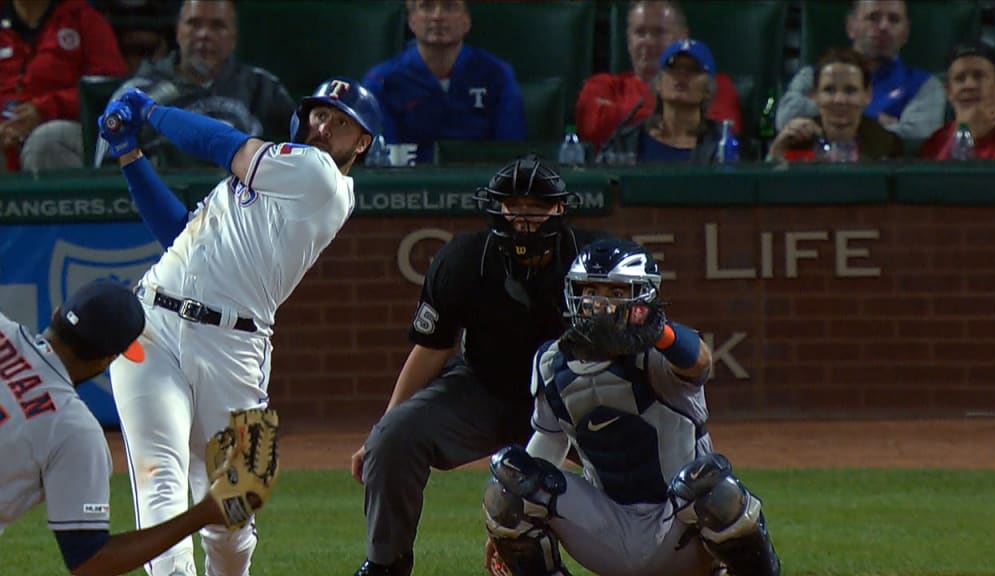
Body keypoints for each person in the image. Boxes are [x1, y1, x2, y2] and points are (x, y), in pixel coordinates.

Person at [98, 75, 381, 576]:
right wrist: (129, 156)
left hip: (236, 349)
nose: (323, 127)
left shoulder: (320, 179)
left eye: (341, 123)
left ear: (362, 143)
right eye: (319, 114)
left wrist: (151, 113)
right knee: (158, 479)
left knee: (234, 512)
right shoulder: (272, 175)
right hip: (151, 327)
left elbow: (219, 142)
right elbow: (179, 234)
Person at [350, 154, 609, 576]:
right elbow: (432, 348)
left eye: (537, 207)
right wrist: (384, 424)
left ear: (560, 209)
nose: (524, 219)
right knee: (393, 438)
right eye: (514, 206)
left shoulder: (591, 263)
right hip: (482, 387)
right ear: (497, 207)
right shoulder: (465, 258)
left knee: (633, 456)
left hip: (572, 396)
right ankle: (386, 563)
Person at [482, 239, 782, 576]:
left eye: (615, 293)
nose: (599, 304)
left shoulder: (658, 357)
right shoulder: (552, 361)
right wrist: (504, 529)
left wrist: (659, 333)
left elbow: (699, 362)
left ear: (642, 298)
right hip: (607, 528)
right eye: (590, 290)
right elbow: (548, 443)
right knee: (510, 479)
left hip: (679, 531)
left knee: (711, 486)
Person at [0, 280, 272, 576]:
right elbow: (91, 560)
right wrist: (205, 513)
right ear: (109, 359)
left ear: (56, 314)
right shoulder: (73, 432)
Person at [95, 0, 295, 169]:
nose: (204, 35)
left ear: (233, 38)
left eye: (217, 26)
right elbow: (107, 172)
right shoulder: (136, 93)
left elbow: (300, 156)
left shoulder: (261, 87)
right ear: (178, 31)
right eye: (194, 24)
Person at [361, 0, 527, 166]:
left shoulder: (497, 75)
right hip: (409, 185)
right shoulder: (381, 81)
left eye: (449, 7)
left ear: (466, 21)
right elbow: (383, 156)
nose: (438, 16)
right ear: (411, 20)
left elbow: (510, 150)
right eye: (427, 7)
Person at [575, 0, 743, 147]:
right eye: (640, 33)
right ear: (628, 39)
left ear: (682, 38)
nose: (648, 42)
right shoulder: (602, 86)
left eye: (659, 32)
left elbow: (724, 130)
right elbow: (591, 127)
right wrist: (682, 114)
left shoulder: (714, 84)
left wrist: (617, 114)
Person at [776, 0, 944, 144]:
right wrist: (878, 122)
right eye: (873, 18)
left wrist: (828, 112)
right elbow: (786, 118)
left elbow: (915, 139)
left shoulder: (926, 85)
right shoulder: (812, 76)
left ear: (906, 32)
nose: (884, 26)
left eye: (894, 20)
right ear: (851, 27)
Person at [0, 0, 127, 172]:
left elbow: (108, 91)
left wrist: (44, 110)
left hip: (66, 128)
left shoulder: (82, 18)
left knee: (46, 141)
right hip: (6, 134)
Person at [596, 39, 732, 165]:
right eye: (672, 68)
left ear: (708, 89)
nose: (681, 75)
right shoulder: (625, 142)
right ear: (658, 84)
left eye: (693, 69)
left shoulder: (722, 143)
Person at [768, 48, 903, 162]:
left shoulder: (887, 144)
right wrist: (776, 151)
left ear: (867, 95)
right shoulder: (795, 142)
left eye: (850, 90)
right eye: (829, 90)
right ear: (815, 95)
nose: (839, 100)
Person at [920, 40, 995, 160]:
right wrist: (964, 136)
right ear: (948, 92)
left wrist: (978, 141)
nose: (969, 85)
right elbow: (942, 178)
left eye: (979, 76)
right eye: (960, 79)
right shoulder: (937, 141)